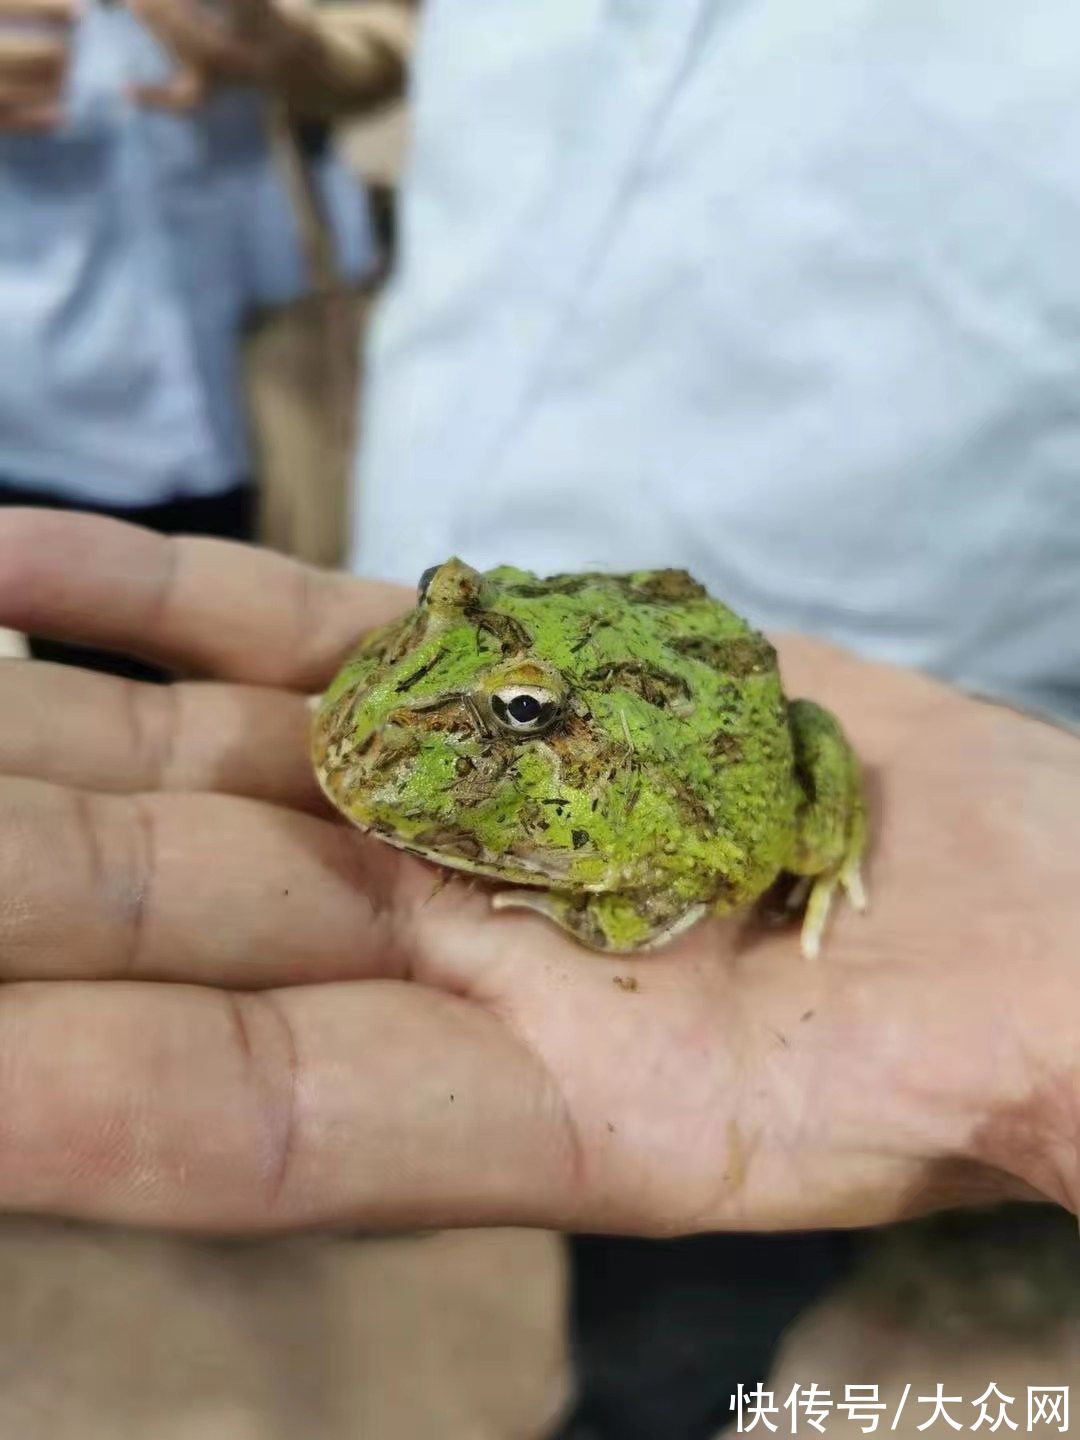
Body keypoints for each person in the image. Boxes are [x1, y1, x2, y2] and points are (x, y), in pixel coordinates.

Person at [346, 1, 1080, 1431]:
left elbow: (667, 900)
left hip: (933, 628)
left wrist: (570, 899)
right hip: (506, 569)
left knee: (695, 1238)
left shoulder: (640, 802)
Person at [0, 507, 1075, 1237]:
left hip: (713, 706)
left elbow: (704, 877)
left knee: (792, 825)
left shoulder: (636, 795)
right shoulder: (464, 643)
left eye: (516, 714)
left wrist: (585, 905)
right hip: (603, 629)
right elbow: (478, 640)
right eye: (435, 599)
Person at [0, 0, 412, 678]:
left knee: (309, 659)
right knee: (89, 669)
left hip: (272, 374)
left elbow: (389, 32)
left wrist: (287, 47)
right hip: (50, 395)